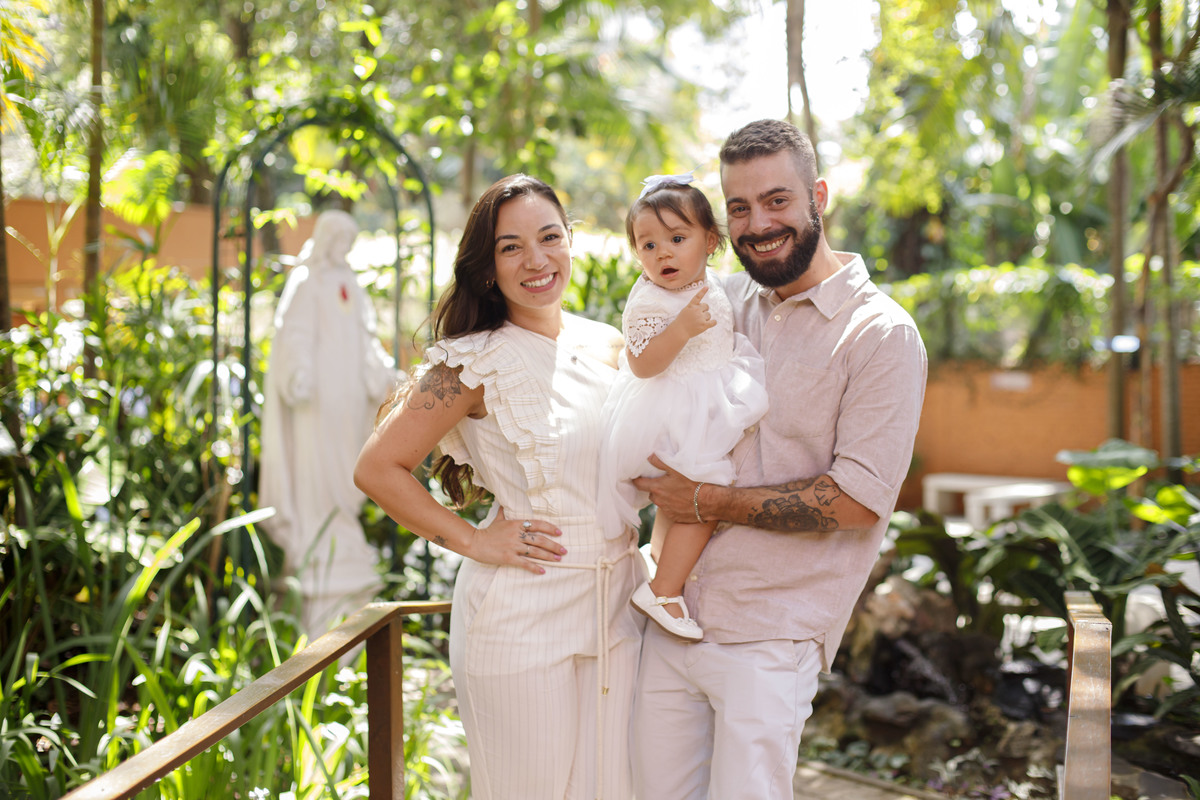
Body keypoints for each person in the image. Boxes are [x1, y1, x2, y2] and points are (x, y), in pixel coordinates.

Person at [630, 119, 928, 799]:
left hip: (770, 637)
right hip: (670, 617)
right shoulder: (721, 300)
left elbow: (856, 501)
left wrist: (704, 502)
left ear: (818, 196)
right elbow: (639, 350)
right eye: (739, 207)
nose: (759, 224)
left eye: (777, 201)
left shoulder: (881, 335)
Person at [353, 175, 644, 800]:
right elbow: (377, 468)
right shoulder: (471, 361)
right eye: (511, 247)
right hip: (522, 613)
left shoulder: (611, 343)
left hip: (618, 600)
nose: (536, 260)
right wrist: (475, 542)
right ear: (487, 267)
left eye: (549, 237)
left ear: (571, 242)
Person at [598, 174, 767, 641]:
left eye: (677, 239)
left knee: (682, 497)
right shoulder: (649, 300)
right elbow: (641, 363)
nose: (663, 254)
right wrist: (680, 330)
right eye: (648, 245)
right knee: (704, 495)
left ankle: (658, 558)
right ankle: (664, 590)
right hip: (669, 410)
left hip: (701, 400)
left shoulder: (708, 281)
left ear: (710, 242)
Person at [259, 208, 392, 635]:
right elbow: (294, 334)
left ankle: (342, 535)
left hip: (348, 397)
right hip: (315, 400)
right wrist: (297, 373)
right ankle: (315, 539)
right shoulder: (306, 281)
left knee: (348, 466)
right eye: (339, 241)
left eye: (348, 244)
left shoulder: (350, 282)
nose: (343, 250)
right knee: (317, 467)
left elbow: (367, 337)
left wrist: (380, 372)